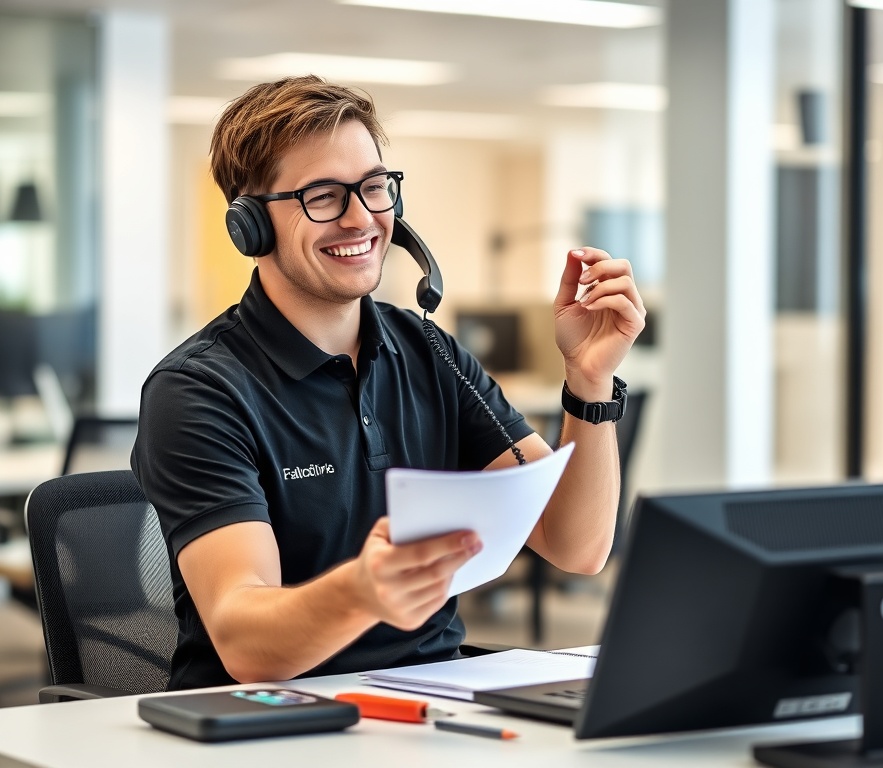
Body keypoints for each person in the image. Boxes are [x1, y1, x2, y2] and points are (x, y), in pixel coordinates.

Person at [131, 75, 646, 691]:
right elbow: (246, 644)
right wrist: (360, 592)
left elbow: (576, 546)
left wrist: (589, 379)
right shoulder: (199, 391)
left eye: (374, 187)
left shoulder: (428, 350)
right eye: (323, 196)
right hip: (272, 718)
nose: (361, 218)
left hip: (433, 702)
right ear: (250, 226)